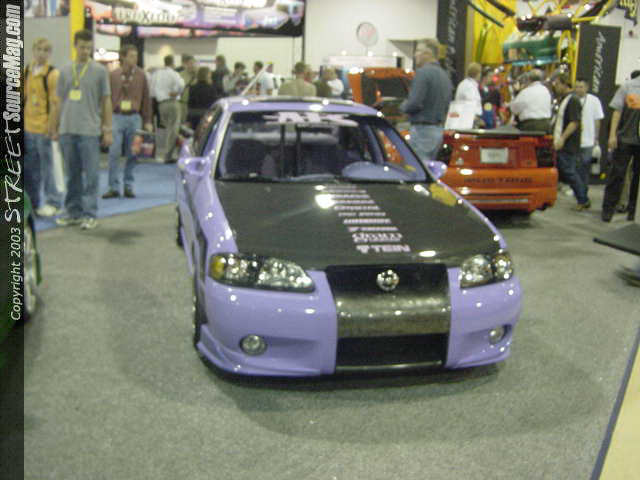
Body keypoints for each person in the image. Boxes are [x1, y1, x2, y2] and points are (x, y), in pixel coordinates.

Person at [51, 29, 112, 230]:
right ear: (75, 46)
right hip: (67, 130)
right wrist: (54, 127)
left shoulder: (100, 71)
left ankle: (90, 214)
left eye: (88, 47)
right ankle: (73, 212)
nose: (85, 51)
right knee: (72, 175)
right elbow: (59, 101)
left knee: (91, 176)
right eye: (82, 47)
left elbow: (106, 101)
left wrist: (107, 129)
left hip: (90, 131)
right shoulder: (64, 70)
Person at [102, 44, 153, 199]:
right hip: (116, 116)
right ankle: (113, 187)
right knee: (114, 152)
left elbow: (146, 99)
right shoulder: (113, 75)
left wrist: (148, 120)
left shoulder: (141, 75)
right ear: (123, 57)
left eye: (136, 56)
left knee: (133, 152)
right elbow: (106, 99)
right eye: (131, 56)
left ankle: (128, 185)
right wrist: (105, 121)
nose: (135, 59)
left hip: (134, 117)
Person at [24, 37, 63, 217]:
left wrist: (52, 127)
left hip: (44, 128)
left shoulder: (53, 74)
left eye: (46, 50)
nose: (42, 53)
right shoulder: (27, 71)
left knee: (48, 168)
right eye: (39, 49)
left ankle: (53, 202)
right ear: (33, 50)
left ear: (50, 53)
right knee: (30, 169)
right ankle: (32, 203)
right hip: (28, 127)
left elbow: (56, 103)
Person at [400, 39, 452, 163]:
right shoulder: (445, 76)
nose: (415, 55)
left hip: (422, 132)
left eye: (418, 51)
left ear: (428, 54)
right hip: (438, 131)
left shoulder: (423, 73)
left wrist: (402, 107)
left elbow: (414, 103)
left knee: (418, 168)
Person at [601, 69, 640, 222]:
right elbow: (616, 112)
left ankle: (633, 211)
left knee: (637, 179)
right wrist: (612, 135)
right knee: (617, 175)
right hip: (625, 139)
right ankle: (608, 209)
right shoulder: (628, 86)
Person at [552, 74, 589, 210]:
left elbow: (574, 122)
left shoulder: (572, 100)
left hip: (568, 144)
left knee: (570, 171)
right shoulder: (565, 99)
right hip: (563, 142)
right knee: (567, 171)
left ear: (564, 84)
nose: (555, 87)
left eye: (557, 84)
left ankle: (583, 199)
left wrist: (562, 138)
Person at [574, 77, 604, 207]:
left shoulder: (594, 101)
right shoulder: (572, 100)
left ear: (587, 87)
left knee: (584, 169)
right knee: (575, 169)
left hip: (588, 141)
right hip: (574, 142)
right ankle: (580, 195)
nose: (578, 89)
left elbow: (598, 120)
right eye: (576, 87)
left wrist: (596, 138)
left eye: (581, 87)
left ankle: (583, 196)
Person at [150, 55, 184, 163]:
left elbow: (151, 89)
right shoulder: (173, 73)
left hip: (161, 104)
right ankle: (168, 155)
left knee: (165, 129)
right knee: (173, 129)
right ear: (173, 63)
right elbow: (181, 84)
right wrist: (177, 92)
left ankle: (162, 152)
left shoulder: (157, 74)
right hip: (172, 102)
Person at [179, 55, 198, 124]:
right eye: (190, 63)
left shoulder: (199, 74)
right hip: (183, 104)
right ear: (186, 64)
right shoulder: (181, 75)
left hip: (195, 105)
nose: (192, 65)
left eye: (193, 63)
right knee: (183, 123)